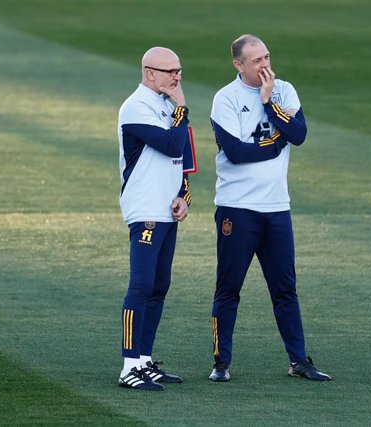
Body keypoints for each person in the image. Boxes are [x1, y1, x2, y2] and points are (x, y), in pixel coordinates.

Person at [208, 34, 331, 382]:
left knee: (285, 289)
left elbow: (300, 133)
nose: (266, 65)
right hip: (237, 208)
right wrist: (275, 143)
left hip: (277, 208)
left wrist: (268, 104)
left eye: (266, 57)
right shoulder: (225, 99)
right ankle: (221, 363)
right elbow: (236, 152)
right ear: (238, 64)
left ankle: (298, 361)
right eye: (257, 60)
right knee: (229, 287)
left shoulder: (283, 90)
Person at [116, 47, 192, 391]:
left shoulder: (165, 105)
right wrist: (183, 108)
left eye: (179, 71)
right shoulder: (136, 107)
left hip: (167, 209)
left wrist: (184, 196)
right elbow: (172, 145)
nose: (177, 77)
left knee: (160, 286)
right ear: (150, 73)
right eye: (170, 71)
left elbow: (183, 160)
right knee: (142, 285)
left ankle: (145, 360)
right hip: (145, 209)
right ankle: (129, 365)